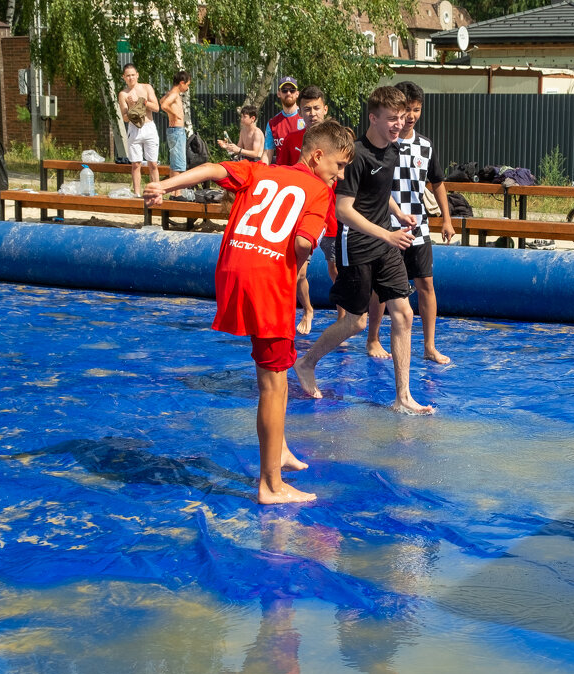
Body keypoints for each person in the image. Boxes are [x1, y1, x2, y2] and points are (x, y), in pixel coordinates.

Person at [143, 120, 356, 504]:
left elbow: (213, 169)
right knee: (274, 386)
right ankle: (271, 485)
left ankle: (281, 451)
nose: (339, 175)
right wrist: (298, 266)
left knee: (270, 372)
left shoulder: (262, 168)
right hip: (267, 281)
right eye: (338, 166)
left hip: (232, 268)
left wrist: (164, 185)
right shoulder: (319, 191)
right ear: (318, 155)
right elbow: (304, 243)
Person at [293, 86, 433, 415]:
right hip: (356, 243)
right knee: (355, 323)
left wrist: (397, 212)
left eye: (402, 118)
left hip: (386, 241)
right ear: (373, 118)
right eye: (392, 119)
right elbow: (344, 209)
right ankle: (307, 362)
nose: (400, 124)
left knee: (404, 314)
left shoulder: (394, 151)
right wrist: (387, 233)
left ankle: (402, 397)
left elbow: (378, 190)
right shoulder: (356, 155)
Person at [365, 80, 456, 365]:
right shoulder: (384, 143)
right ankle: (373, 338)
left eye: (417, 110)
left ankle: (429, 345)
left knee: (426, 284)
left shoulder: (425, 146)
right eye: (407, 110)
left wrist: (447, 219)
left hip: (419, 227)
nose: (411, 116)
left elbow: (438, 182)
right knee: (381, 287)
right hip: (386, 227)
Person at [276, 85, 330, 335]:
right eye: (306, 109)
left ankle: (343, 321)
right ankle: (306, 309)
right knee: (297, 273)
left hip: (330, 215)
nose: (312, 113)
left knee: (336, 270)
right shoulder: (292, 140)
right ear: (300, 111)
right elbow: (282, 175)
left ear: (324, 109)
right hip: (301, 216)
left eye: (316, 108)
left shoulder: (335, 139)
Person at [117, 63, 160, 199]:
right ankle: (136, 193)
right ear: (124, 77)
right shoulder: (123, 94)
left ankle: (156, 191)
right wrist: (132, 107)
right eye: (128, 76)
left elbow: (156, 108)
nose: (131, 78)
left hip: (149, 127)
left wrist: (142, 102)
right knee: (136, 164)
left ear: (137, 75)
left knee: (152, 163)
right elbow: (124, 118)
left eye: (133, 75)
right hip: (134, 129)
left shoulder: (146, 87)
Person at [261, 77, 303, 165]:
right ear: (279, 93)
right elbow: (267, 153)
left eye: (292, 90)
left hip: (302, 173)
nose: (288, 93)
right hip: (282, 173)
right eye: (284, 90)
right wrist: (261, 170)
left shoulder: (306, 118)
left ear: (297, 94)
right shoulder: (272, 124)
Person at [160, 71, 191, 174]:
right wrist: (174, 114)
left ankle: (174, 190)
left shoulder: (171, 93)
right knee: (179, 165)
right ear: (182, 83)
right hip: (177, 131)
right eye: (187, 85)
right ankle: (177, 191)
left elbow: (161, 100)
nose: (187, 88)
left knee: (174, 164)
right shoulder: (174, 94)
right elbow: (164, 105)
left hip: (174, 131)